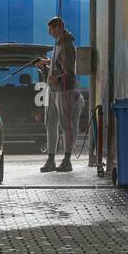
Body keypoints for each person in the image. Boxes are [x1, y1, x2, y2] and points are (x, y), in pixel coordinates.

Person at [36, 16, 80, 173]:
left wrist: (57, 78)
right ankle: (51, 159)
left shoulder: (67, 46)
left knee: (65, 126)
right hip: (53, 90)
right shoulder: (58, 45)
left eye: (51, 29)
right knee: (51, 124)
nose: (49, 33)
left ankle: (67, 160)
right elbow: (58, 63)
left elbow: (70, 72)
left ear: (59, 26)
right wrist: (47, 62)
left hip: (64, 90)